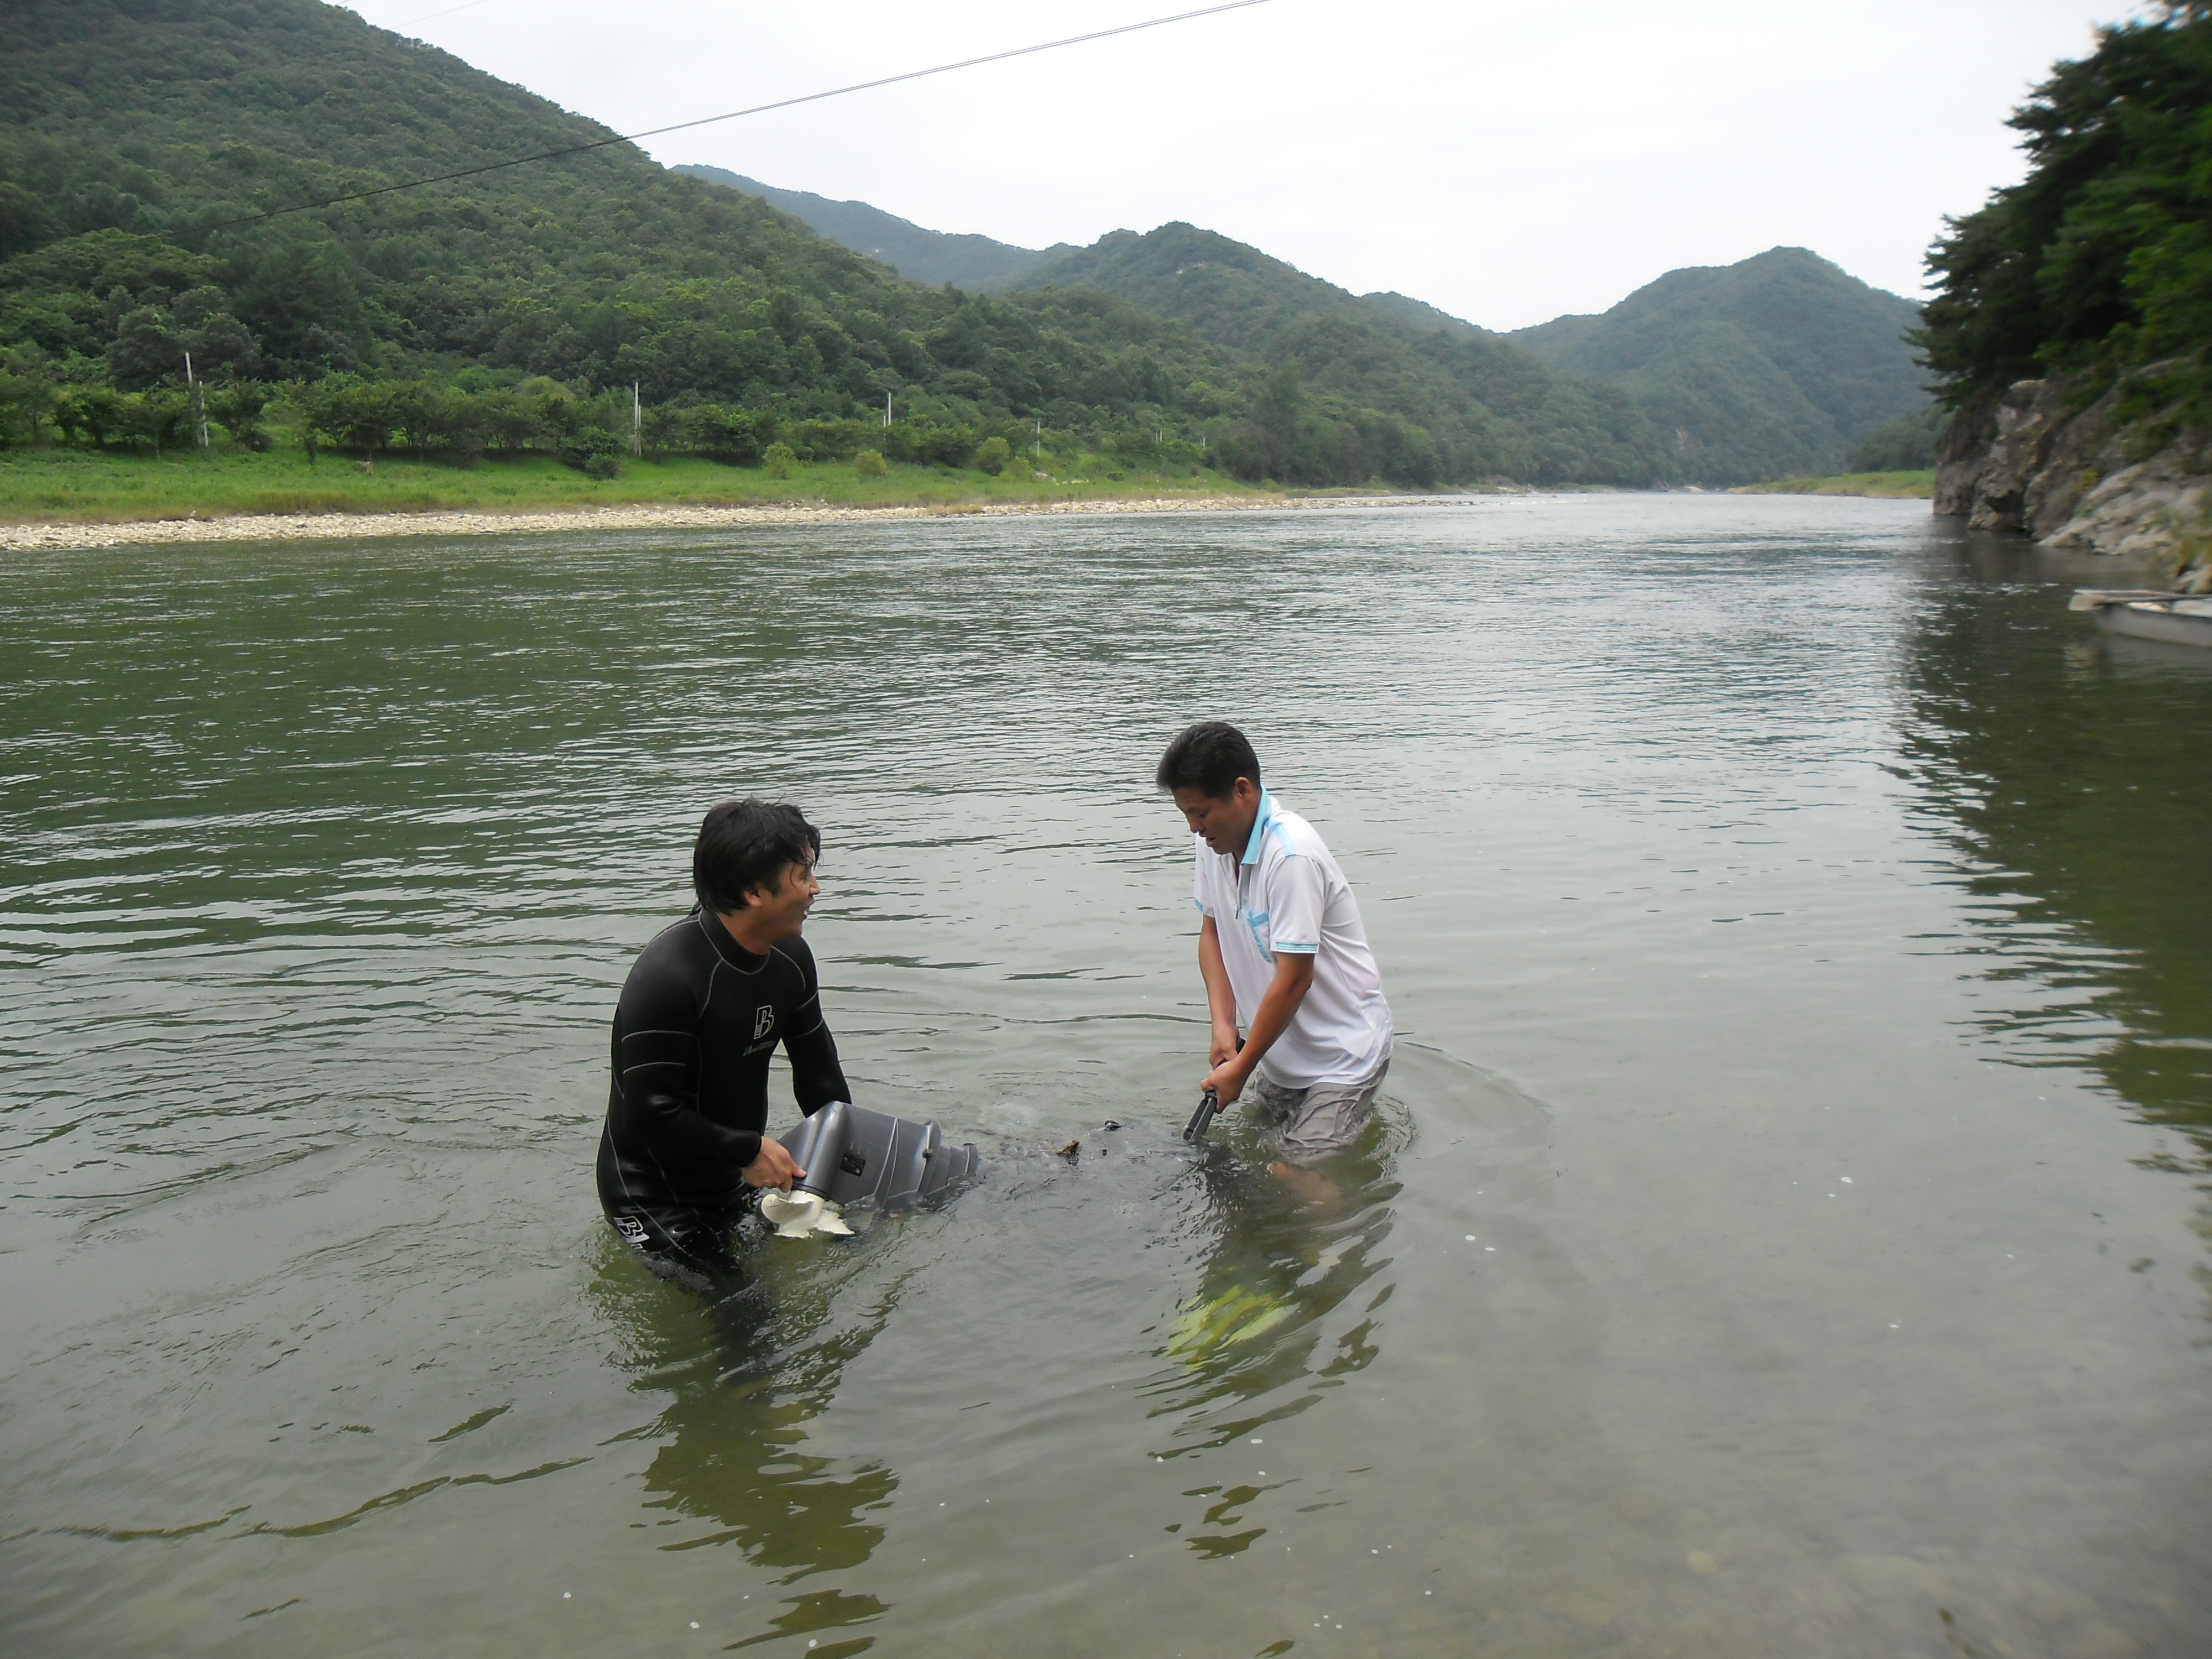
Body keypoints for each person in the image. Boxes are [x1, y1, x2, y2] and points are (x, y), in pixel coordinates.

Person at [597, 799, 849, 1282]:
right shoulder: (669, 975)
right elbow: (648, 1116)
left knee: (852, 1251)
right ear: (754, 891)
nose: (816, 889)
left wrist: (851, 1172)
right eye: (803, 876)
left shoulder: (791, 960)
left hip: (734, 1175)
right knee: (748, 1307)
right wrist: (748, 1150)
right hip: (652, 1195)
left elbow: (820, 1079)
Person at [1157, 722, 1394, 1188]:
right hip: (1283, 1053)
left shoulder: (1291, 857)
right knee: (1255, 1156)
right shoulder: (1213, 844)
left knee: (1293, 1173)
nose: (1194, 827)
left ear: (1242, 790)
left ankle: (1346, 1233)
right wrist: (1223, 1026)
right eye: (1186, 814)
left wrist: (1242, 1069)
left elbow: (1295, 979)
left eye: (1200, 813)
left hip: (1342, 1056)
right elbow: (1212, 932)